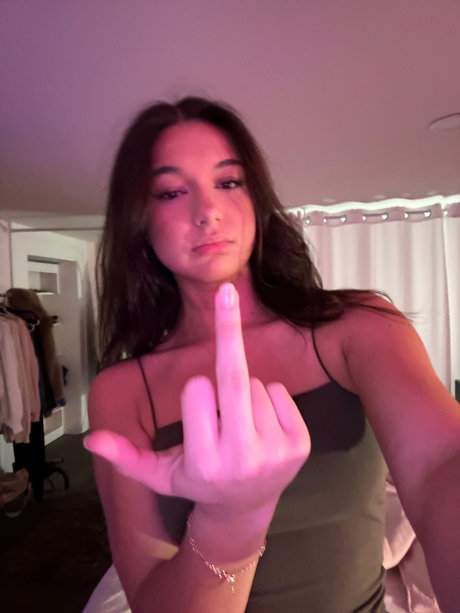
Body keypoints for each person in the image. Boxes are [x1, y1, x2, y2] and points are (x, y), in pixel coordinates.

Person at [84, 96, 460, 613]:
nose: (207, 211)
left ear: (256, 200)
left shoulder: (360, 326)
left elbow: (441, 464)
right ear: (140, 222)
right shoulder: (122, 391)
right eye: (171, 192)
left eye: (228, 182)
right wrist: (228, 521)